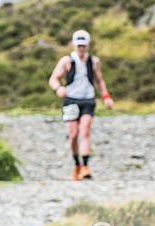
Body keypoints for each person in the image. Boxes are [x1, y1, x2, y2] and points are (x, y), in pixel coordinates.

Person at [48, 30, 114, 181]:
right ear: (74, 45)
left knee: (85, 131)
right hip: (71, 100)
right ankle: (76, 164)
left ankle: (85, 166)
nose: (81, 48)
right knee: (73, 135)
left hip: (88, 100)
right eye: (79, 45)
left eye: (84, 45)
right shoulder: (66, 61)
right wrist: (58, 88)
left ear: (88, 45)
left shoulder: (94, 62)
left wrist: (106, 96)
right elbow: (53, 78)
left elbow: (99, 81)